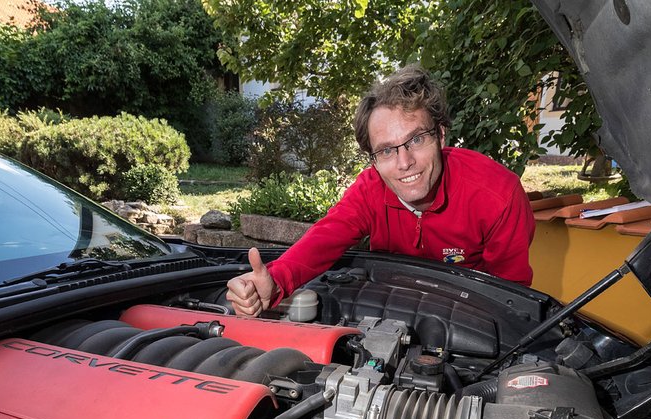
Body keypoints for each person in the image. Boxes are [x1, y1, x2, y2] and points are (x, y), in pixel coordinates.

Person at [226, 65, 535, 317]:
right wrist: (275, 281)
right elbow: (323, 240)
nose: (405, 163)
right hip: (390, 309)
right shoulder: (370, 190)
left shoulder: (497, 195)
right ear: (372, 159)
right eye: (386, 151)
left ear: (440, 136)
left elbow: (510, 299)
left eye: (416, 140)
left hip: (468, 317)